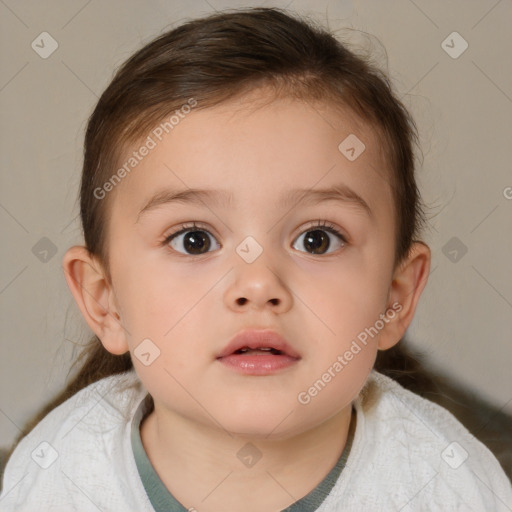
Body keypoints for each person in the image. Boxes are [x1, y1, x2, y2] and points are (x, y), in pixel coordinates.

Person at [1, 7, 511, 511]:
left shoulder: (446, 485)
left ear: (394, 299)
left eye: (317, 239)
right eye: (194, 240)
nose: (258, 284)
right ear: (105, 300)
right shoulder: (59, 476)